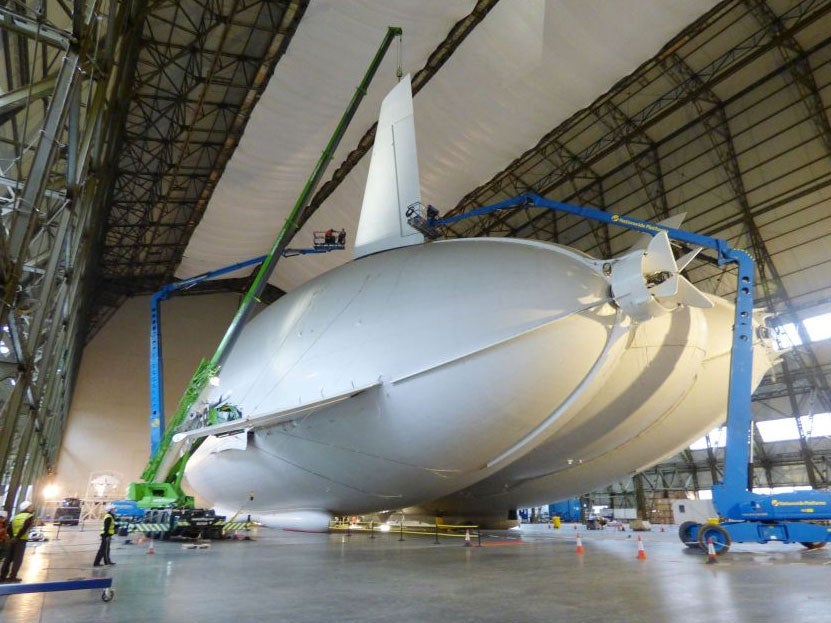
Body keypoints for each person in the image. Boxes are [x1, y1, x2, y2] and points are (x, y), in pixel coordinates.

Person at [0, 501, 35, 583]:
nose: (32, 508)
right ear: (27, 507)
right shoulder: (29, 516)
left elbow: (9, 528)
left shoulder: (16, 516)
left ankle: (2, 577)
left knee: (8, 558)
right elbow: (25, 528)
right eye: (31, 506)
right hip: (21, 540)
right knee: (18, 559)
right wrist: (18, 537)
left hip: (12, 540)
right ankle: (12, 577)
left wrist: (13, 538)